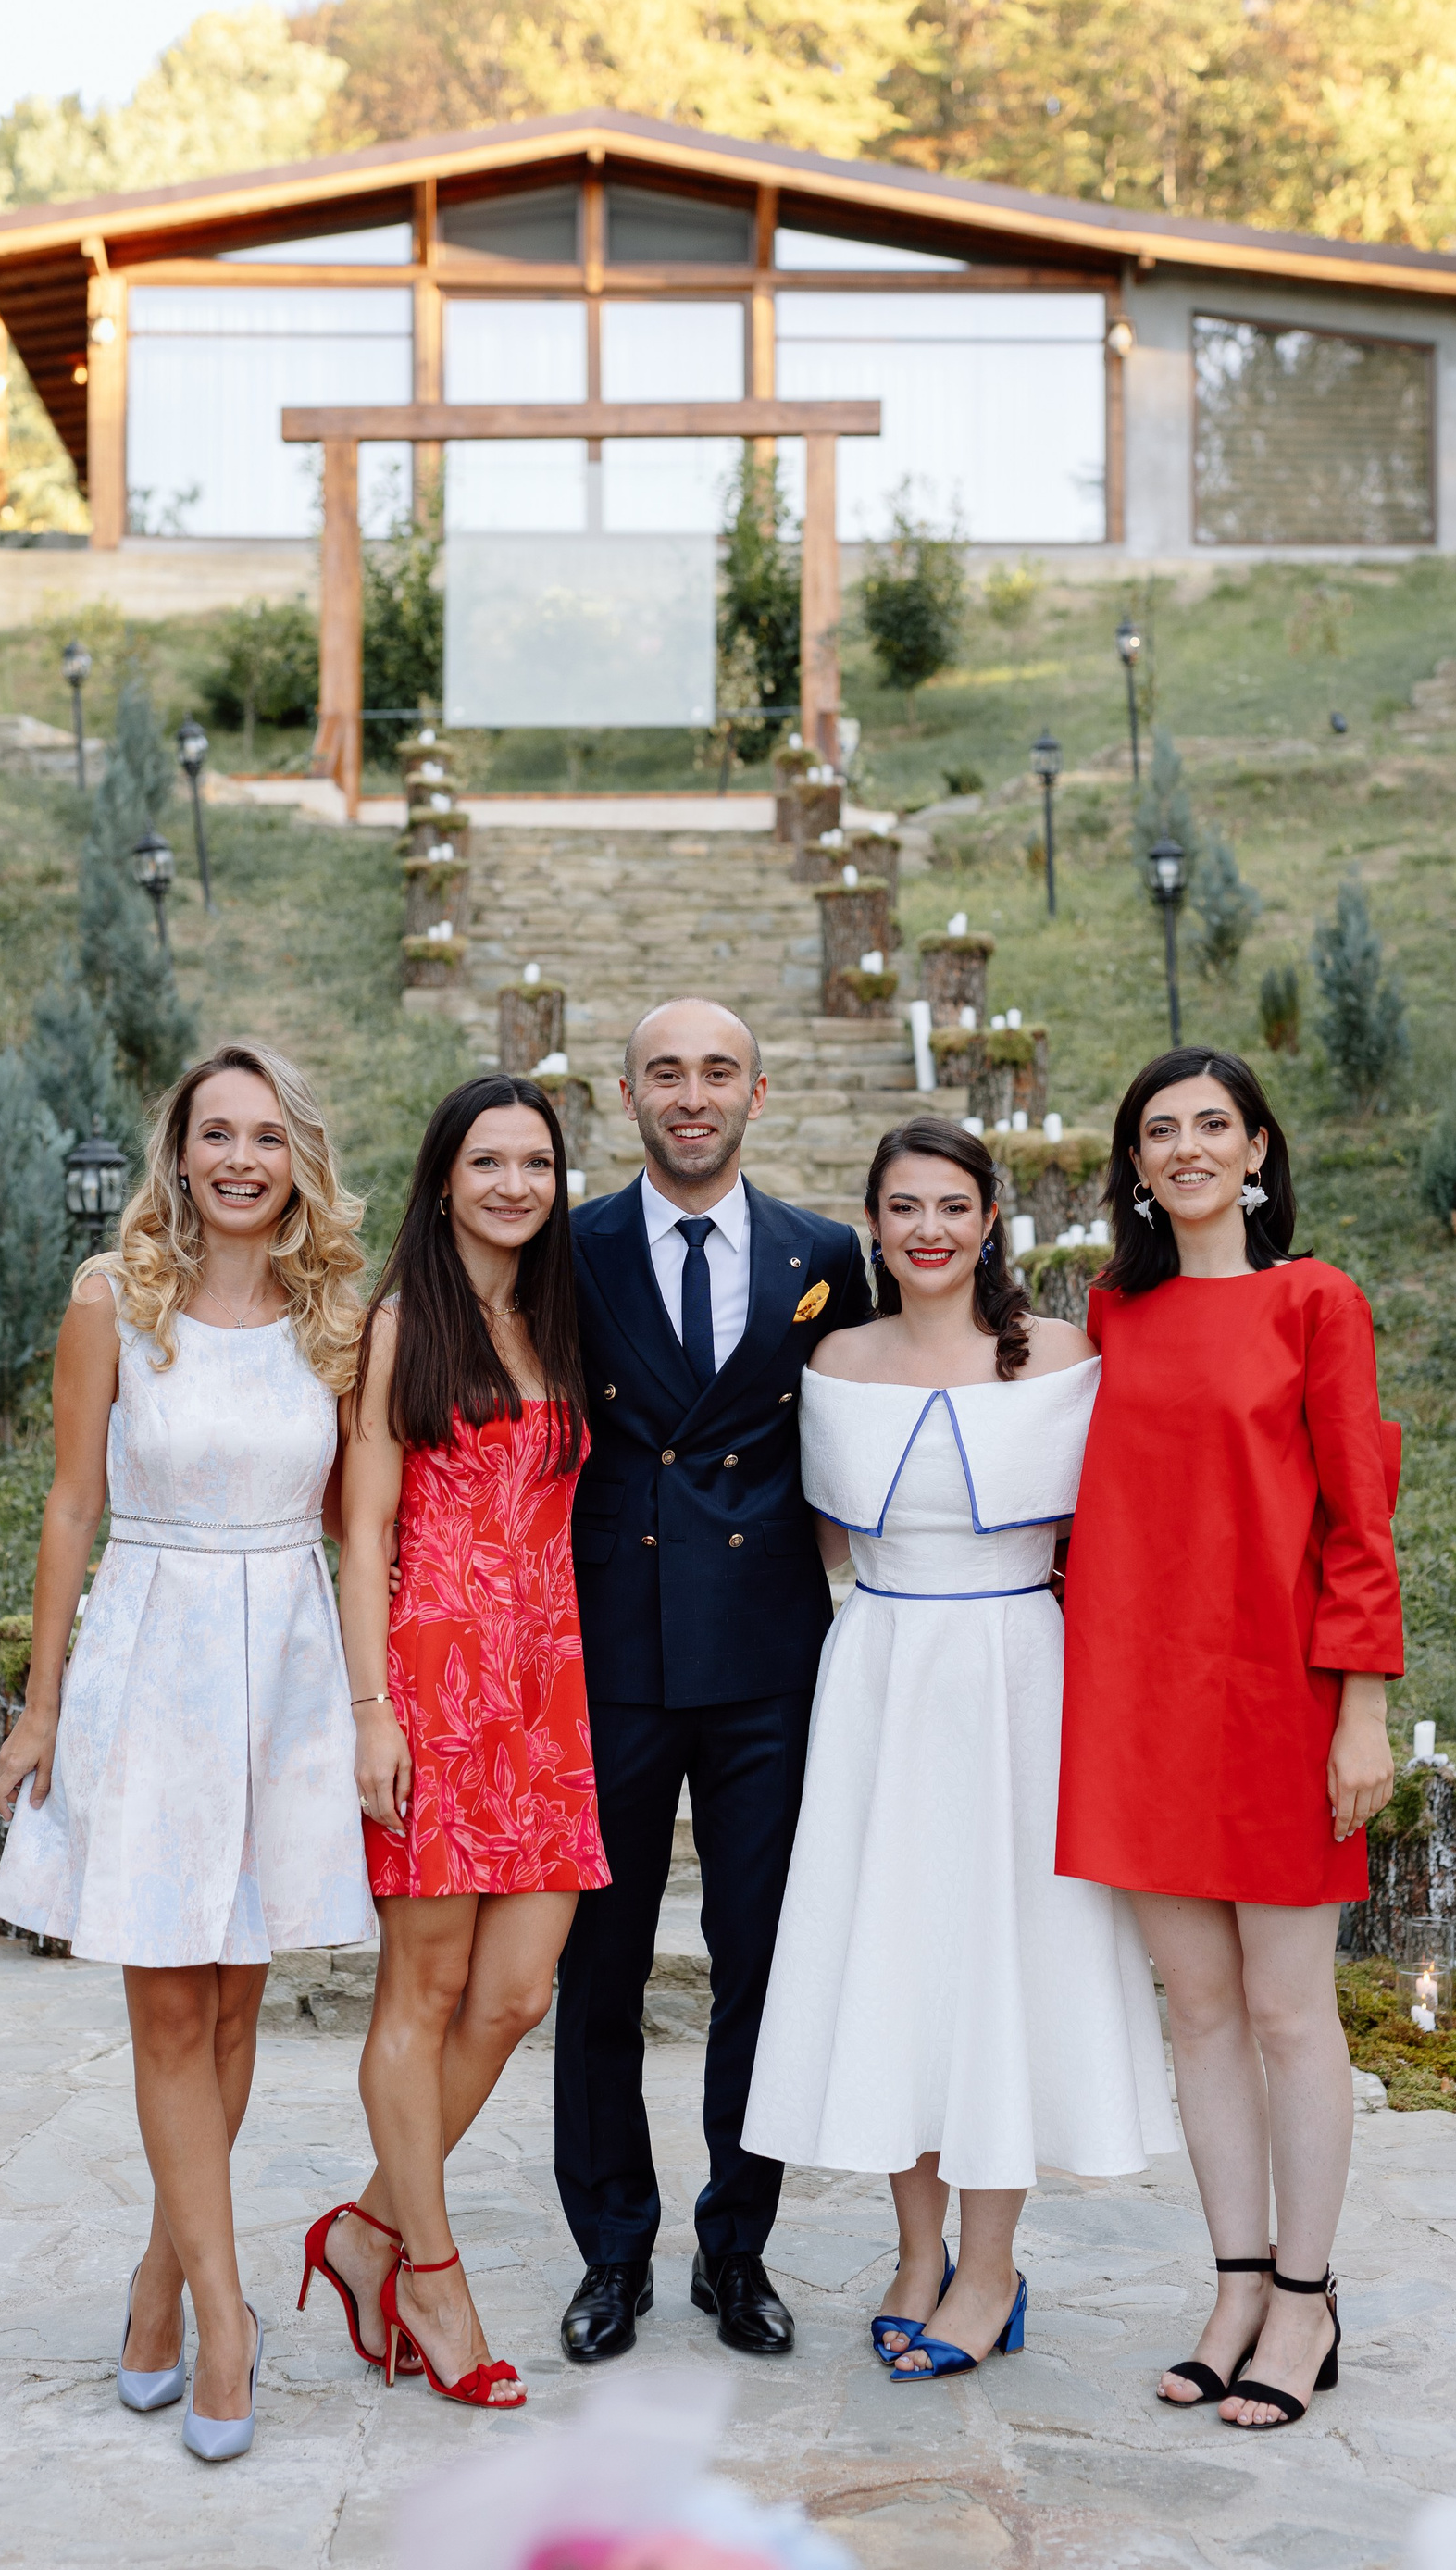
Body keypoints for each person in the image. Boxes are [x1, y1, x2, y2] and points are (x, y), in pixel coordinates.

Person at [0, 1042, 374, 2464]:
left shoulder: (333, 1317)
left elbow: (359, 1525)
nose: (240, 1160)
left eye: (266, 1137)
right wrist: (41, 1705)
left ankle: (158, 2283)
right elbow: (68, 1508)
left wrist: (381, 1702)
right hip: (151, 1662)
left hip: (284, 1673)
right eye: (217, 1133)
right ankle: (222, 2317)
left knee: (231, 2015)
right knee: (164, 2010)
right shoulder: (112, 1300)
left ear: (297, 1158)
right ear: (180, 1151)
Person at [743, 1118, 1175, 2379]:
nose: (927, 1229)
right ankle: (917, 2254)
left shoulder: (1064, 1355)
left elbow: (1117, 1528)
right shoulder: (836, 1360)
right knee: (901, 1958)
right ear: (873, 1225)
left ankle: (991, 2268)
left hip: (1015, 1679)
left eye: (951, 1205)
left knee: (999, 1962)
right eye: (903, 1207)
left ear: (990, 1219)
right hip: (880, 1674)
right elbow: (822, 1539)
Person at [1058, 1047, 1402, 2432]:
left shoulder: (1317, 1301)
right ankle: (1236, 2289)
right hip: (1141, 1704)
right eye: (1162, 1129)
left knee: (1286, 2012)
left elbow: (1360, 1522)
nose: (1188, 1146)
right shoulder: (1110, 1314)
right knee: (1196, 2013)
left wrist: (1362, 1708)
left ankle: (1308, 2301)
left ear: (1258, 1149)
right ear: (1136, 1165)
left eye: (1214, 1124)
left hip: (1279, 1701)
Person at [553, 998, 871, 2364]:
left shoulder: (825, 1254)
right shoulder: (569, 1248)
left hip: (765, 1659)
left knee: (760, 1963)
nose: (694, 1095)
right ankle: (612, 2250)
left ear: (759, 1090)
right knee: (600, 1969)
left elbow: (866, 1417)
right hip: (612, 1650)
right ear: (627, 1095)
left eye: (718, 1072)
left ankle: (736, 2250)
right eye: (667, 1073)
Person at [303, 1076, 604, 2410]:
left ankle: (366, 2230)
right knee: (421, 1996)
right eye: (487, 1162)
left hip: (545, 1695)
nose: (513, 1184)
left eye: (536, 1163)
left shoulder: (556, 1318)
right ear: (443, 1180)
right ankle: (428, 2274)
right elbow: (364, 1529)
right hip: (432, 1689)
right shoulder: (398, 1327)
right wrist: (371, 1709)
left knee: (519, 1991)